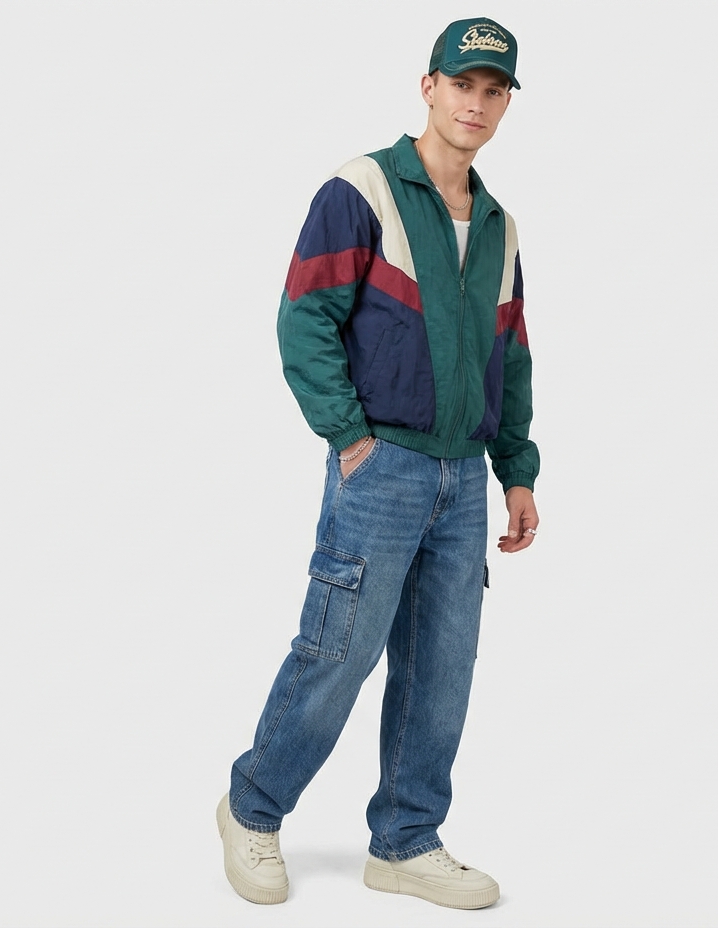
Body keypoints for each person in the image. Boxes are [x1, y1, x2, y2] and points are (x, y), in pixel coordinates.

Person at [216, 16, 540, 910]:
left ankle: (404, 841)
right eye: (462, 84)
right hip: (383, 467)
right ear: (429, 86)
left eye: (494, 91)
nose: (476, 104)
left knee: (442, 669)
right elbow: (304, 317)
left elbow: (509, 356)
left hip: (464, 479)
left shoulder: (502, 227)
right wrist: (351, 437)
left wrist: (515, 470)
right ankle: (252, 809)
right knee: (338, 652)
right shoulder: (361, 189)